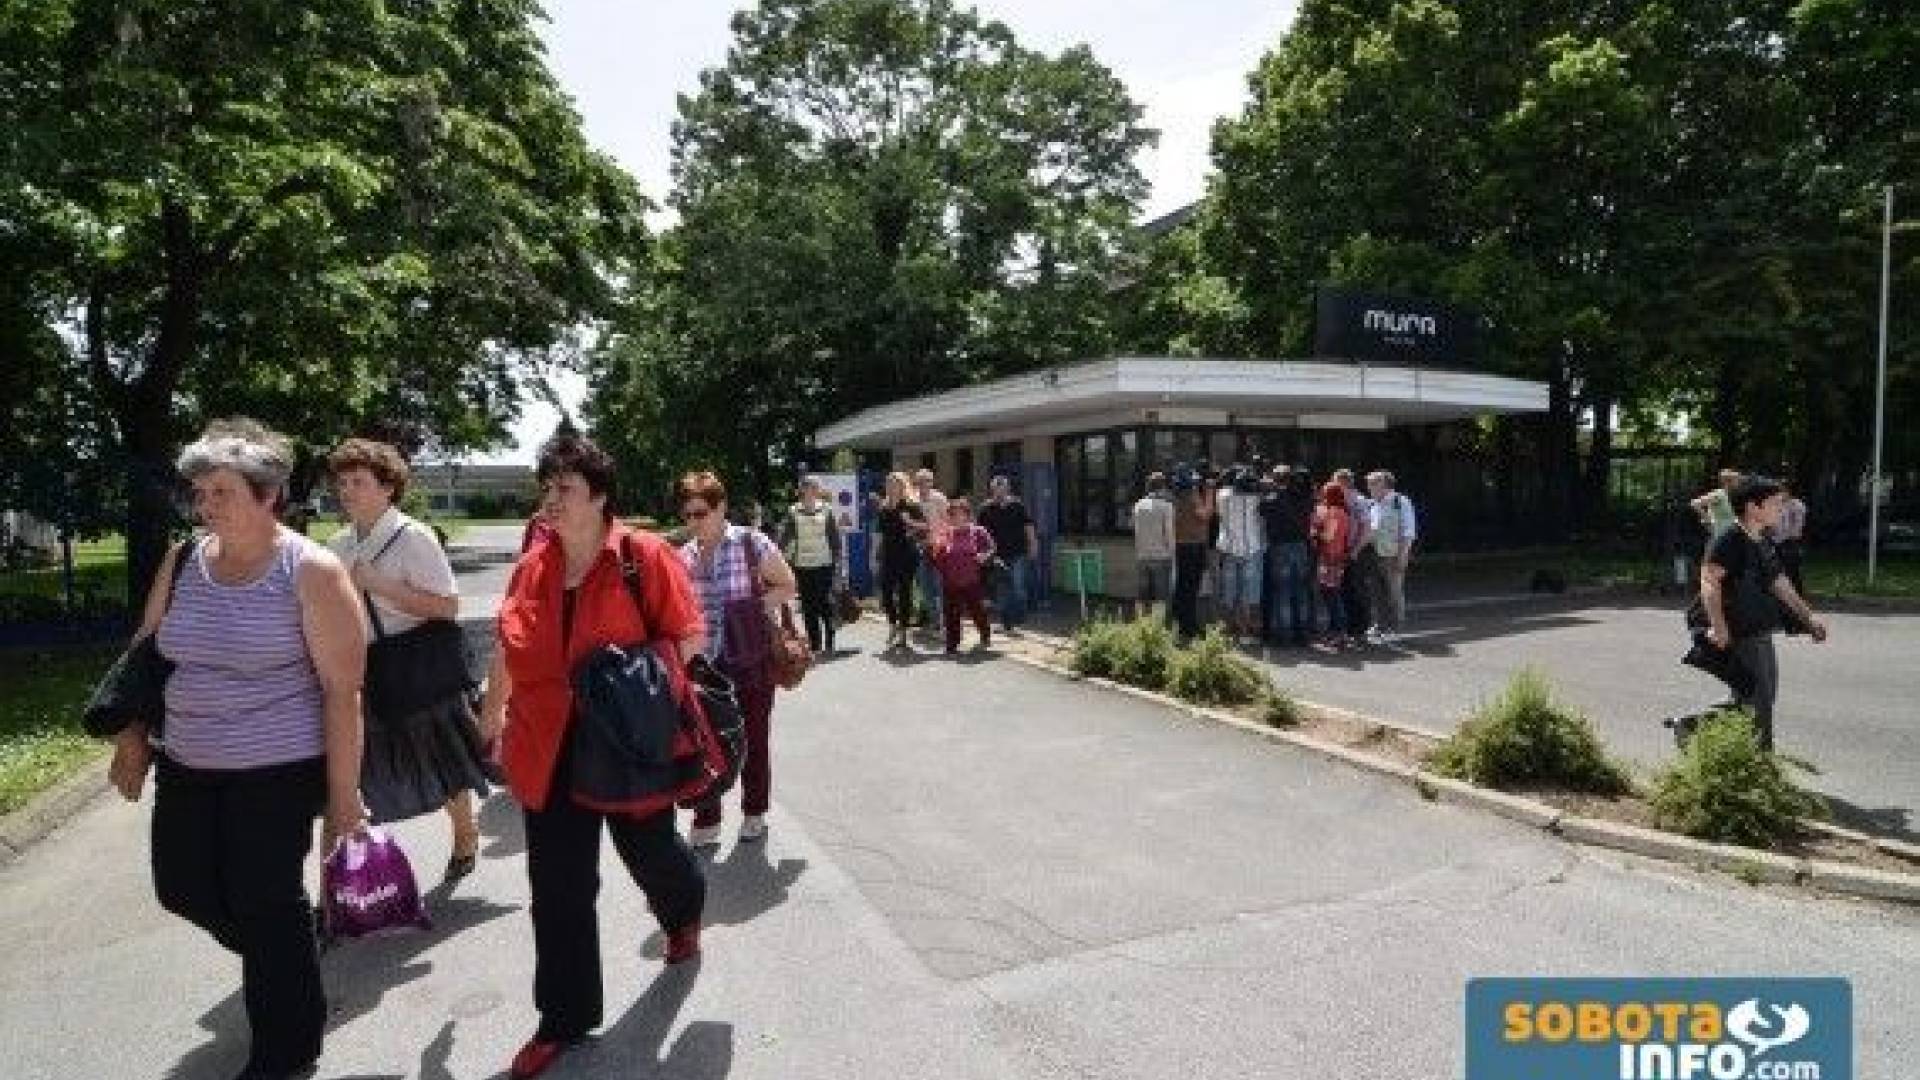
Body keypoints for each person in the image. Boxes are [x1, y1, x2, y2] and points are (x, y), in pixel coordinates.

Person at [106, 418, 368, 1080]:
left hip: (276, 771)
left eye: (221, 491)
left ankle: (285, 1051)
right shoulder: (183, 561)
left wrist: (344, 801)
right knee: (183, 888)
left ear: (267, 494)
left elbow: (343, 693)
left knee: (264, 898)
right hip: (187, 762)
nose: (206, 505)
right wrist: (132, 738)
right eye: (200, 492)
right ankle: (290, 964)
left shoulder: (311, 571)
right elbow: (144, 653)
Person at [479, 433, 710, 1079]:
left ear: (600, 496)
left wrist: (630, 685)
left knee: (651, 853)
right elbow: (507, 647)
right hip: (546, 744)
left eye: (565, 488)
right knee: (558, 888)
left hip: (625, 741)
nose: (550, 500)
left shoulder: (643, 555)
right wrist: (491, 714)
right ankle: (564, 1018)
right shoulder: (533, 565)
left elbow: (689, 636)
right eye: (546, 488)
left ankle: (683, 910)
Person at [326, 438, 489, 882]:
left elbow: (447, 607)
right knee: (369, 765)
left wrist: (379, 584)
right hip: (365, 667)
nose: (347, 490)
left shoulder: (413, 536)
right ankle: (353, 877)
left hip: (417, 665)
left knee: (438, 757)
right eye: (343, 482)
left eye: (358, 482)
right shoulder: (338, 545)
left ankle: (465, 830)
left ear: (387, 487)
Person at [678, 470, 799, 848]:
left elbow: (788, 584)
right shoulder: (684, 555)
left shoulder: (751, 542)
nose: (694, 522)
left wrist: (751, 608)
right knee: (703, 741)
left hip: (749, 657)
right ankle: (707, 817)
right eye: (688, 514)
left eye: (701, 513)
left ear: (721, 508)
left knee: (753, 739)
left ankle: (754, 811)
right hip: (703, 664)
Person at [1691, 475, 1829, 751]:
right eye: (1775, 503)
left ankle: (1698, 729)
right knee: (1757, 699)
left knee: (1761, 695)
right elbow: (1709, 581)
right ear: (1753, 507)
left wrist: (1808, 618)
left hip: (1756, 627)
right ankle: (1759, 760)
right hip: (1734, 630)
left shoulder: (1762, 541)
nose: (1781, 508)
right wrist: (1719, 626)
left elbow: (1781, 583)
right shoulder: (1729, 538)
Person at [779, 476, 844, 655]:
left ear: (817, 491)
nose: (811, 491)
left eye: (814, 487)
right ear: (802, 490)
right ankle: (815, 645)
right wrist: (780, 553)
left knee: (824, 602)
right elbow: (785, 536)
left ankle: (830, 637)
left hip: (824, 563)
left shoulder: (827, 510)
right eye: (807, 487)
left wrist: (838, 560)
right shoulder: (793, 511)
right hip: (802, 564)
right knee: (808, 605)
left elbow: (834, 536)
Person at [930, 498, 997, 653]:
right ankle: (952, 643)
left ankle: (985, 634)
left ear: (967, 515)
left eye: (960, 514)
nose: (957, 517)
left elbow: (992, 548)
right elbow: (937, 556)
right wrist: (936, 549)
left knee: (977, 611)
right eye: (953, 514)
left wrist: (984, 556)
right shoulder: (946, 533)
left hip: (972, 579)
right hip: (950, 580)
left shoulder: (978, 531)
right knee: (951, 614)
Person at [977, 474, 1039, 632]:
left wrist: (1033, 545)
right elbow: (979, 532)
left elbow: (1028, 526)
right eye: (996, 488)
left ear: (1008, 488)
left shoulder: (1017, 505)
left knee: (1018, 586)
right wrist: (981, 552)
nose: (999, 491)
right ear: (992, 490)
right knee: (1002, 588)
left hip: (1017, 552)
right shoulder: (985, 508)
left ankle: (1020, 618)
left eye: (1002, 488)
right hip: (996, 555)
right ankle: (1007, 622)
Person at [1363, 470, 1418, 645]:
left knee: (1394, 593)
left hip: (1393, 554)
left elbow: (1408, 531)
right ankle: (1380, 625)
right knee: (1376, 592)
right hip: (1375, 554)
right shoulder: (1373, 504)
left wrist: (1403, 555)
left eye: (1372, 484)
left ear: (1383, 485)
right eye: (1369, 485)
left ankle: (1396, 628)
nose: (1369, 488)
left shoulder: (1400, 501)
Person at [873, 472, 928, 651]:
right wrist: (875, 554)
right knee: (886, 593)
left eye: (894, 484)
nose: (890, 487)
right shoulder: (883, 507)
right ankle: (893, 624)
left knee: (905, 593)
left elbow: (925, 526)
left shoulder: (911, 505)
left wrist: (910, 521)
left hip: (906, 554)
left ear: (902, 486)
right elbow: (879, 533)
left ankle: (903, 632)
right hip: (888, 554)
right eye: (888, 484)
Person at [1261, 466, 1314, 647]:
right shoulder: (1305, 496)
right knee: (1300, 591)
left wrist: (1268, 490)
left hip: (1280, 547)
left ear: (1276, 479)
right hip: (1301, 546)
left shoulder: (1274, 497)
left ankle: (1284, 634)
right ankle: (1302, 634)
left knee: (1282, 591)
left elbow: (1261, 509)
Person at [1215, 468, 1268, 645]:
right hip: (1252, 549)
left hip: (1229, 548)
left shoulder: (1223, 496)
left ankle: (1227, 631)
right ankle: (1245, 632)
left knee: (1228, 592)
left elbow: (1224, 488)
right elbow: (1265, 491)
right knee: (1248, 593)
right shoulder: (1257, 499)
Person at [1170, 469, 1216, 641]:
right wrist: (1210, 492)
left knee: (1182, 587)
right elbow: (1206, 515)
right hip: (1193, 547)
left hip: (1180, 546)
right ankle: (1188, 627)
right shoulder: (1191, 498)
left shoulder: (1174, 499)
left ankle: (1179, 624)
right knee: (1190, 589)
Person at [1311, 481, 1354, 648]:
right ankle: (1336, 631)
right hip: (1338, 556)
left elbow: (1328, 536)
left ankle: (1339, 633)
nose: (1322, 496)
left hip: (1330, 557)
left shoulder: (1334, 513)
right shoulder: (1344, 512)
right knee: (1332, 594)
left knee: (1331, 595)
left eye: (1324, 493)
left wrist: (1315, 530)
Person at [1334, 468, 1374, 642]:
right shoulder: (1341, 501)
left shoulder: (1359, 501)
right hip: (1344, 551)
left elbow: (1367, 528)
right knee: (1345, 589)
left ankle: (1361, 628)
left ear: (1344, 482)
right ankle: (1351, 627)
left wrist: (1356, 550)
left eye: (1336, 482)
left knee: (1357, 589)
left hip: (1357, 551)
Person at [1132, 472, 1176, 620]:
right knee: (1160, 595)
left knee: (1142, 594)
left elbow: (1136, 530)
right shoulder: (1166, 506)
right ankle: (1157, 626)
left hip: (1142, 555)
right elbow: (1169, 533)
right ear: (1162, 488)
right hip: (1161, 556)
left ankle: (1141, 623)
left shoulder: (1138, 505)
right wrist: (1172, 553)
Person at [912, 468, 950, 631]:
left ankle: (945, 619)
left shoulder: (939, 498)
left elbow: (947, 521)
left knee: (939, 584)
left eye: (926, 481)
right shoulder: (913, 500)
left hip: (938, 546)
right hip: (920, 548)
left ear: (931, 482)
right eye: (920, 481)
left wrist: (942, 539)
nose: (922, 484)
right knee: (924, 585)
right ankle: (935, 620)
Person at [1773, 480, 1809, 597]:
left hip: (1789, 543)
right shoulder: (1778, 504)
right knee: (1777, 573)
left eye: (1781, 489)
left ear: (1788, 491)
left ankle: (1797, 597)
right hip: (1776, 541)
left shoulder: (1796, 505)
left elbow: (1796, 529)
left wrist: (1785, 536)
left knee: (1792, 573)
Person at [1691, 469, 1742, 537]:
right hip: (1721, 535)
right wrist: (1707, 517)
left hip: (1732, 535)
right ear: (1728, 482)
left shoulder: (1731, 496)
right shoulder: (1719, 494)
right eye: (1736, 480)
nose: (1739, 482)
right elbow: (1695, 503)